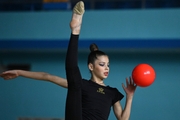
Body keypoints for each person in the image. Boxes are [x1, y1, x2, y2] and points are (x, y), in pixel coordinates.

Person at [0, 1, 137, 120]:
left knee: (75, 83)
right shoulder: (82, 85)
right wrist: (19, 72)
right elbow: (48, 76)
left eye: (108, 65)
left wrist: (129, 96)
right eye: (102, 64)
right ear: (91, 66)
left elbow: (122, 119)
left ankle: (76, 30)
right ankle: (75, 31)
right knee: (75, 82)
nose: (107, 68)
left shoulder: (112, 93)